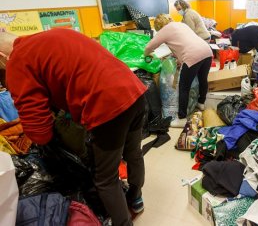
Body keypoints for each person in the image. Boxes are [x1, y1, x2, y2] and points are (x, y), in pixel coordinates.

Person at [0, 29, 148, 226]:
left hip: (107, 107)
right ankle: (135, 198)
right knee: (134, 154)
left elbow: (37, 125)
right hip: (134, 90)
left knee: (105, 179)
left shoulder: (17, 60)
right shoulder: (50, 37)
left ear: (2, 57)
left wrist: (45, 141)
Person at [144, 14, 213, 128]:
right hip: (206, 51)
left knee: (183, 87)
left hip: (193, 55)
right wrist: (180, 58)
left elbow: (149, 47)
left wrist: (146, 54)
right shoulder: (181, 25)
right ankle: (201, 103)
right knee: (202, 79)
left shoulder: (164, 30)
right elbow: (182, 43)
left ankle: (181, 118)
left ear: (158, 26)